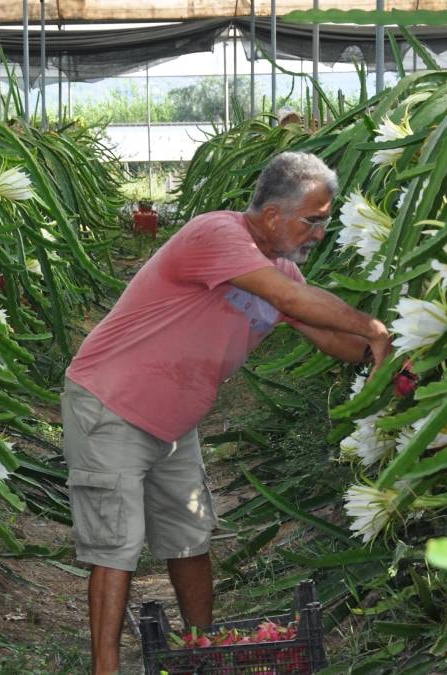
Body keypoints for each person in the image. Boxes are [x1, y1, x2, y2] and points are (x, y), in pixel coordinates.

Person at [62, 151, 393, 674]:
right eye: (312, 221)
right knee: (116, 546)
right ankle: (106, 668)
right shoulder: (215, 235)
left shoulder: (276, 270)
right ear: (271, 216)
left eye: (325, 223)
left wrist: (383, 355)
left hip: (174, 419)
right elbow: (297, 302)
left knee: (189, 537)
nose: (319, 234)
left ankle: (203, 652)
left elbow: (326, 331)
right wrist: (374, 328)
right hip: (112, 403)